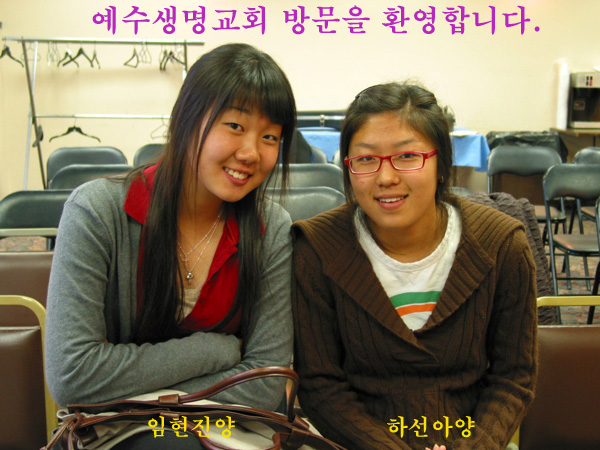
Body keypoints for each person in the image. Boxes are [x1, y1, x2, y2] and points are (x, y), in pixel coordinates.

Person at [45, 43, 296, 448]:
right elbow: (73, 375)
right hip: (112, 434)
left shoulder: (272, 228)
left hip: (229, 433)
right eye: (235, 126)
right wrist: (216, 351)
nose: (251, 152)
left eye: (270, 136)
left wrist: (127, 388)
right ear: (186, 119)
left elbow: (265, 385)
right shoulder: (97, 211)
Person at [291, 82, 537, 450]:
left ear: (441, 164)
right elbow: (320, 385)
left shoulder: (501, 244)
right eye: (366, 159)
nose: (386, 177)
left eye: (408, 156)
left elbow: (513, 377)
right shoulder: (318, 248)